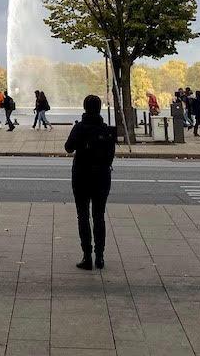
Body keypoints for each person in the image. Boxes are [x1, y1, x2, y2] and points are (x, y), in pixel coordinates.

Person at [65, 94, 116, 271]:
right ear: (100, 108)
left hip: (81, 176)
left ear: (85, 107)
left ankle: (87, 256)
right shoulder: (107, 130)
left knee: (83, 216)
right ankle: (100, 256)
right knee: (99, 216)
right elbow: (111, 155)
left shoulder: (79, 128)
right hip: (102, 177)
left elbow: (68, 147)